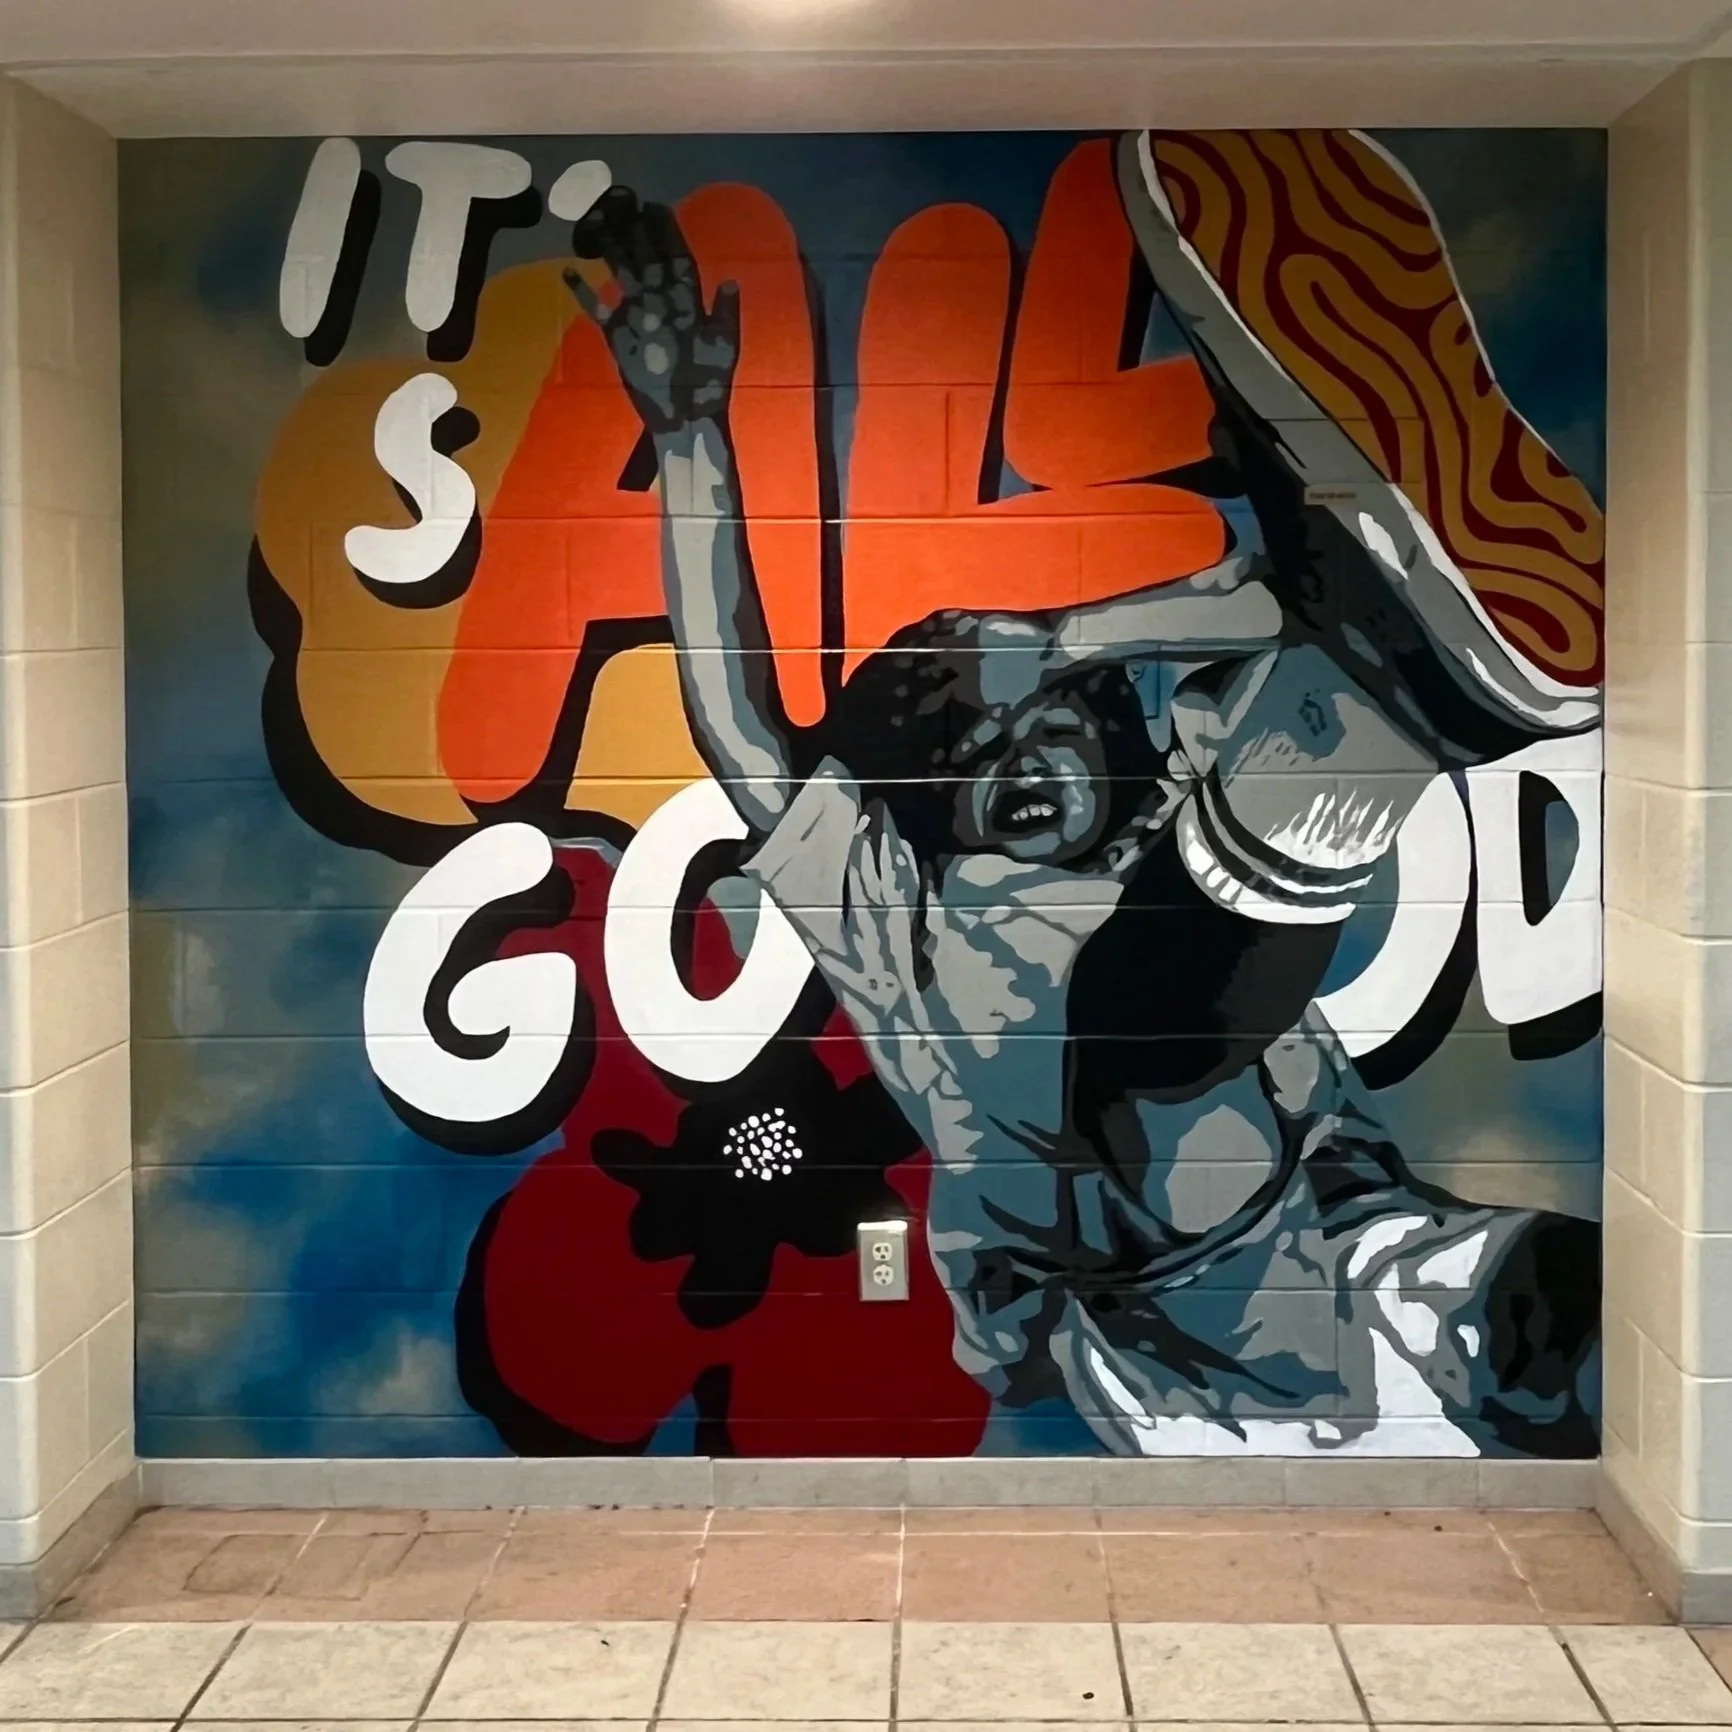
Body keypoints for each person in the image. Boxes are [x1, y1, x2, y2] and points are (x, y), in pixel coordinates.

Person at [562, 158, 1600, 1458]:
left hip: (1363, 1264)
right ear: (940, 801)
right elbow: (738, 727)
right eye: (997, 757)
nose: (1035, 753)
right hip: (1199, 1356)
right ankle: (1403, 695)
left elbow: (1248, 613)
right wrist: (685, 432)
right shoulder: (897, 922)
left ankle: (1393, 660)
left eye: (1052, 730)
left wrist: (1062, 639)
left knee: (1567, 1313)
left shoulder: (1149, 793)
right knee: (1125, 1044)